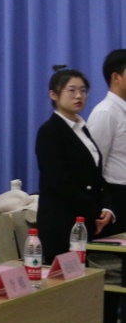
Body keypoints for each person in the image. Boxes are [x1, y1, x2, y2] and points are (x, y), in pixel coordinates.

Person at [37, 67, 114, 261]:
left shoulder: (82, 129)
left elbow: (96, 175)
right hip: (61, 221)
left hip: (84, 219)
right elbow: (59, 181)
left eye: (83, 90)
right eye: (71, 90)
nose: (79, 96)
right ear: (53, 95)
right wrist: (95, 210)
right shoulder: (50, 131)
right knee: (64, 277)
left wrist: (106, 208)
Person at [88, 49, 126, 234]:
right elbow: (93, 164)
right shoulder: (105, 112)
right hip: (116, 196)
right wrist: (105, 203)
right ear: (115, 77)